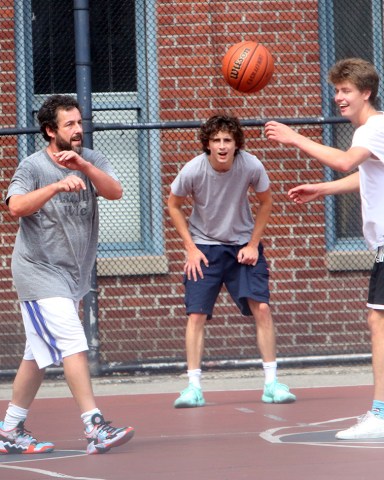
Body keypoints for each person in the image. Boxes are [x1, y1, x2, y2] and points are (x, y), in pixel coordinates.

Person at [0, 94, 134, 455]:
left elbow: (115, 192)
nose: (78, 130)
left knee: (38, 354)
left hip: (73, 274)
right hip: (38, 271)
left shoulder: (90, 159)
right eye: (70, 124)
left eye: (79, 122)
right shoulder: (32, 167)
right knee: (73, 340)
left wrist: (83, 168)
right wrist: (57, 185)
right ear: (49, 130)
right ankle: (94, 425)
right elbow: (14, 207)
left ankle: (10, 427)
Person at [265, 57, 384, 439]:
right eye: (336, 91)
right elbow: (363, 177)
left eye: (346, 91)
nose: (339, 98)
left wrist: (295, 137)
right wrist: (322, 189)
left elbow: (347, 163)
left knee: (378, 322)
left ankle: (381, 414)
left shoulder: (372, 129)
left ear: (366, 92)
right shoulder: (375, 131)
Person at [167, 114, 296, 408]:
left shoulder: (250, 165)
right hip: (204, 249)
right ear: (207, 145)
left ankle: (272, 384)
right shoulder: (193, 170)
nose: (222, 146)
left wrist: (253, 244)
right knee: (196, 315)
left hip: (242, 248)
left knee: (261, 307)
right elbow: (173, 205)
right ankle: (193, 388)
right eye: (216, 140)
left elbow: (266, 202)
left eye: (228, 140)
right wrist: (190, 248)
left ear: (236, 144)